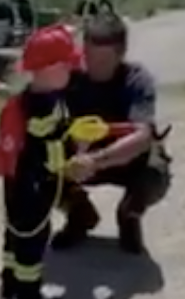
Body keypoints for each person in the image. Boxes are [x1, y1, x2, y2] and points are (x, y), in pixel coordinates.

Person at [52, 13, 172, 254]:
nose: (94, 66)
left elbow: (142, 136)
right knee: (35, 162)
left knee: (155, 171)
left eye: (103, 60)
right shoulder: (70, 76)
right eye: (89, 57)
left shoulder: (136, 80)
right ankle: (79, 214)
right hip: (82, 152)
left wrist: (96, 161)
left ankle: (129, 214)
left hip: (123, 158)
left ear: (121, 53)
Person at [0, 24, 82, 299]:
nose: (72, 71)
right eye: (68, 66)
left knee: (15, 235)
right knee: (34, 239)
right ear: (51, 69)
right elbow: (50, 142)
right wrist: (71, 146)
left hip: (14, 179)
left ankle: (9, 289)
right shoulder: (47, 106)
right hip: (35, 183)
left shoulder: (29, 95)